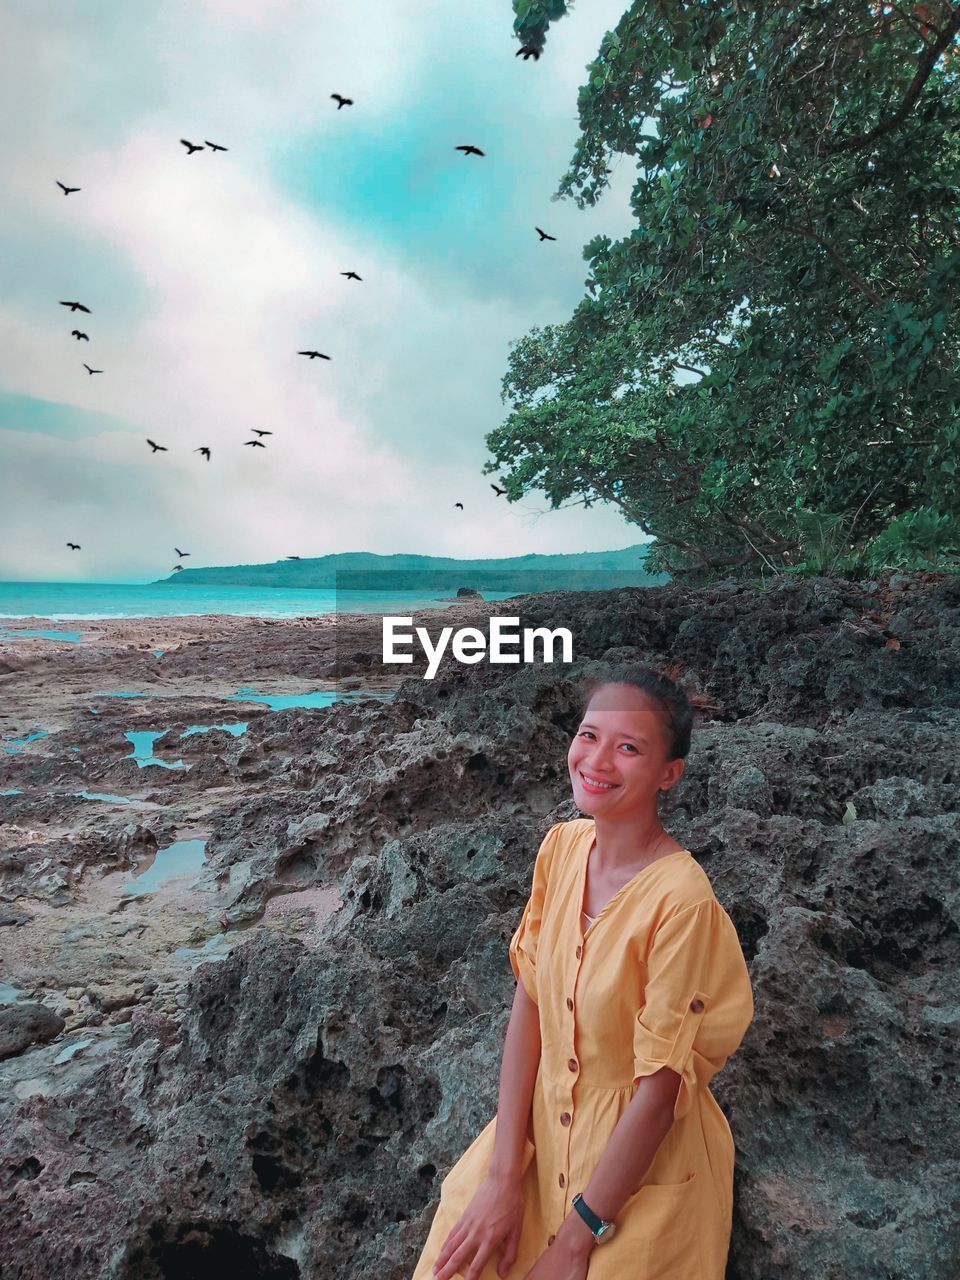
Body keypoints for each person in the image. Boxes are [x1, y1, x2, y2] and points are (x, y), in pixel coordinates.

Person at [411, 666, 755, 1280]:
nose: (598, 760)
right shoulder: (562, 849)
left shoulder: (683, 902)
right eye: (589, 735)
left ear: (669, 774)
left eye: (629, 748)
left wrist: (577, 1239)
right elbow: (531, 1006)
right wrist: (502, 1175)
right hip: (541, 1135)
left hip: (638, 1169)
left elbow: (659, 1091)